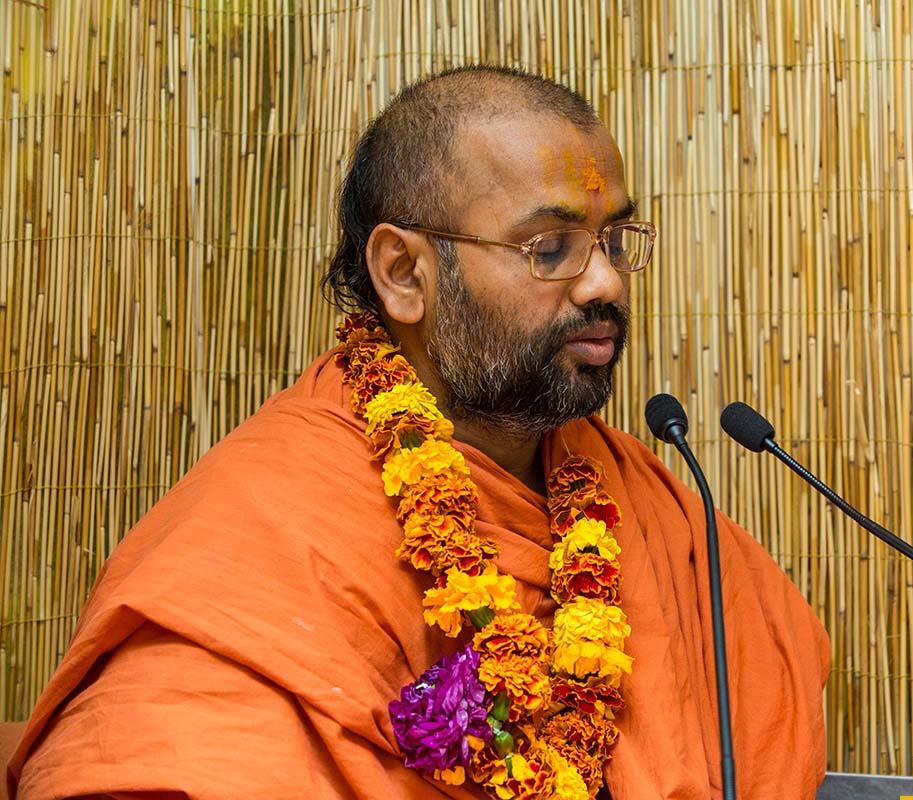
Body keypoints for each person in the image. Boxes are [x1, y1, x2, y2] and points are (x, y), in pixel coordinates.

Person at [8, 65, 829, 799]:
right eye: (551, 248)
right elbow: (163, 751)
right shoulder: (262, 526)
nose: (606, 283)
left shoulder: (640, 501)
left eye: (614, 241)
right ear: (404, 273)